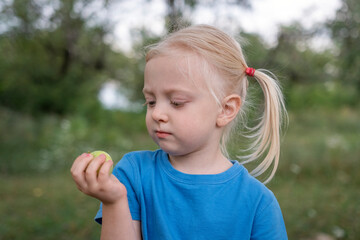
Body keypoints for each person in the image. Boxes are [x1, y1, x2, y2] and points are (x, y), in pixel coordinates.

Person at [71, 24, 288, 240]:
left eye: (176, 102)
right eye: (151, 101)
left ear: (225, 109)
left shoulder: (258, 202)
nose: (157, 114)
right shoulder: (134, 174)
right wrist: (114, 201)